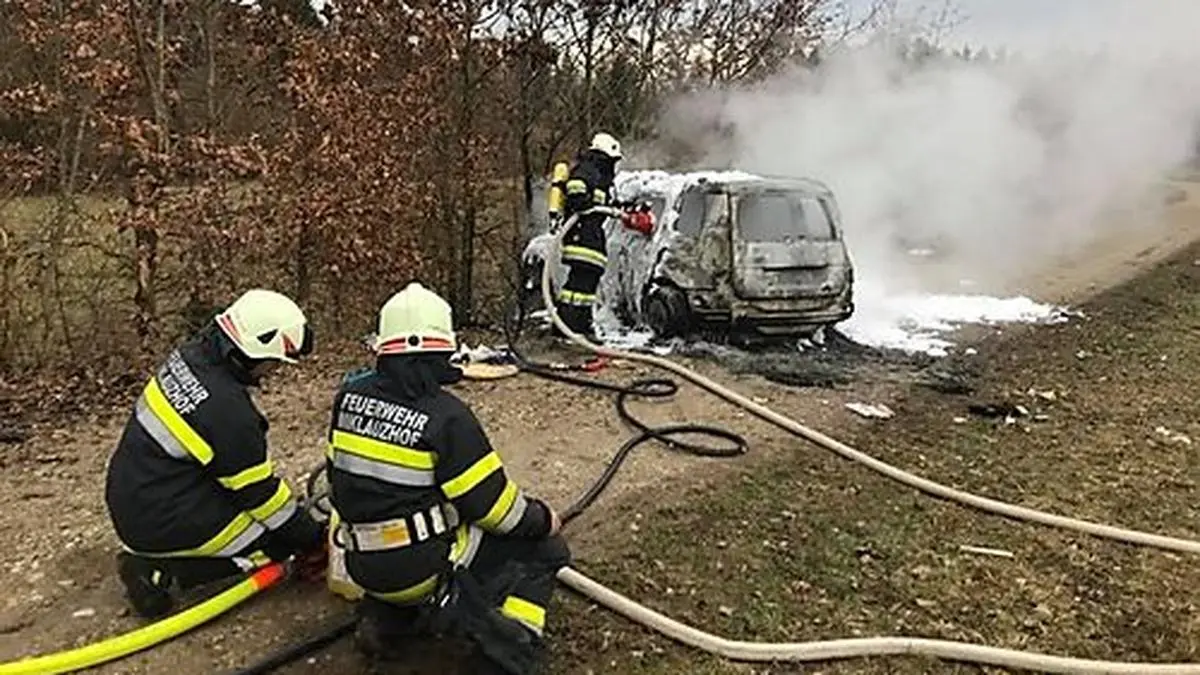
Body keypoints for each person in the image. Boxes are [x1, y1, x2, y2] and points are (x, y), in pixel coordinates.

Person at [326, 281, 570, 674]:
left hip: (361, 564)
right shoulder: (447, 417)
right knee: (546, 550)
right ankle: (507, 651)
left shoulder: (349, 397)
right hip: (419, 569)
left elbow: (343, 479)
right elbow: (495, 510)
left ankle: (386, 621)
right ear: (432, 352)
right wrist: (543, 518)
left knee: (412, 525)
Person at [104, 288, 327, 619]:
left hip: (136, 492)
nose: (273, 372)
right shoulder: (228, 412)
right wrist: (310, 538)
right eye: (273, 364)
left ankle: (158, 554)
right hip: (158, 516)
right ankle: (159, 574)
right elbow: (259, 495)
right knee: (276, 545)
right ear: (255, 353)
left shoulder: (190, 356)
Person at [554, 132, 624, 340]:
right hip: (582, 237)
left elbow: (602, 205)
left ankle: (576, 326)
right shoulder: (588, 169)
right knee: (580, 285)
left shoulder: (598, 175)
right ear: (604, 156)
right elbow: (576, 190)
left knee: (583, 286)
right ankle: (570, 327)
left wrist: (620, 209)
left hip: (588, 236)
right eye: (613, 160)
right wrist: (584, 203)